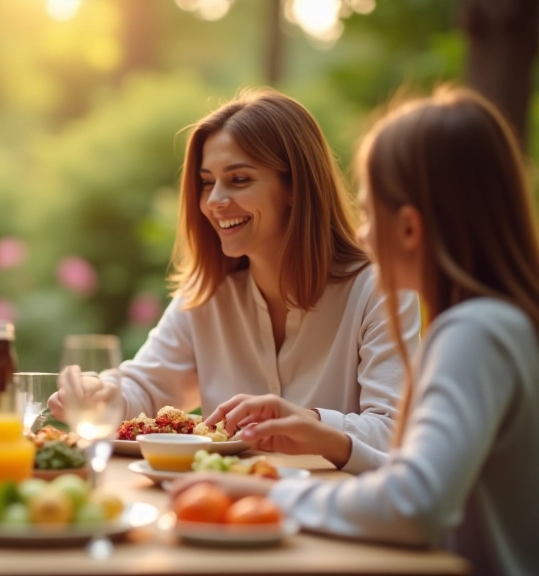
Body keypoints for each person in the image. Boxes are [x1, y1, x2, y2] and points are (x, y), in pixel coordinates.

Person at [172, 87, 539, 576]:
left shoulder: (474, 334)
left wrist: (272, 493)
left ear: (409, 228)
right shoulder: (496, 325)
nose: (360, 234)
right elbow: (420, 477)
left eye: (369, 214)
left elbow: (415, 505)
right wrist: (329, 439)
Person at [51, 89, 420, 472]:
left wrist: (307, 422)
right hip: (224, 513)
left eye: (239, 179)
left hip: (339, 518)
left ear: (295, 187)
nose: (214, 201)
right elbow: (145, 386)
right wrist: (100, 393)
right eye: (208, 182)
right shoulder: (207, 295)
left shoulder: (379, 291)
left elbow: (395, 433)